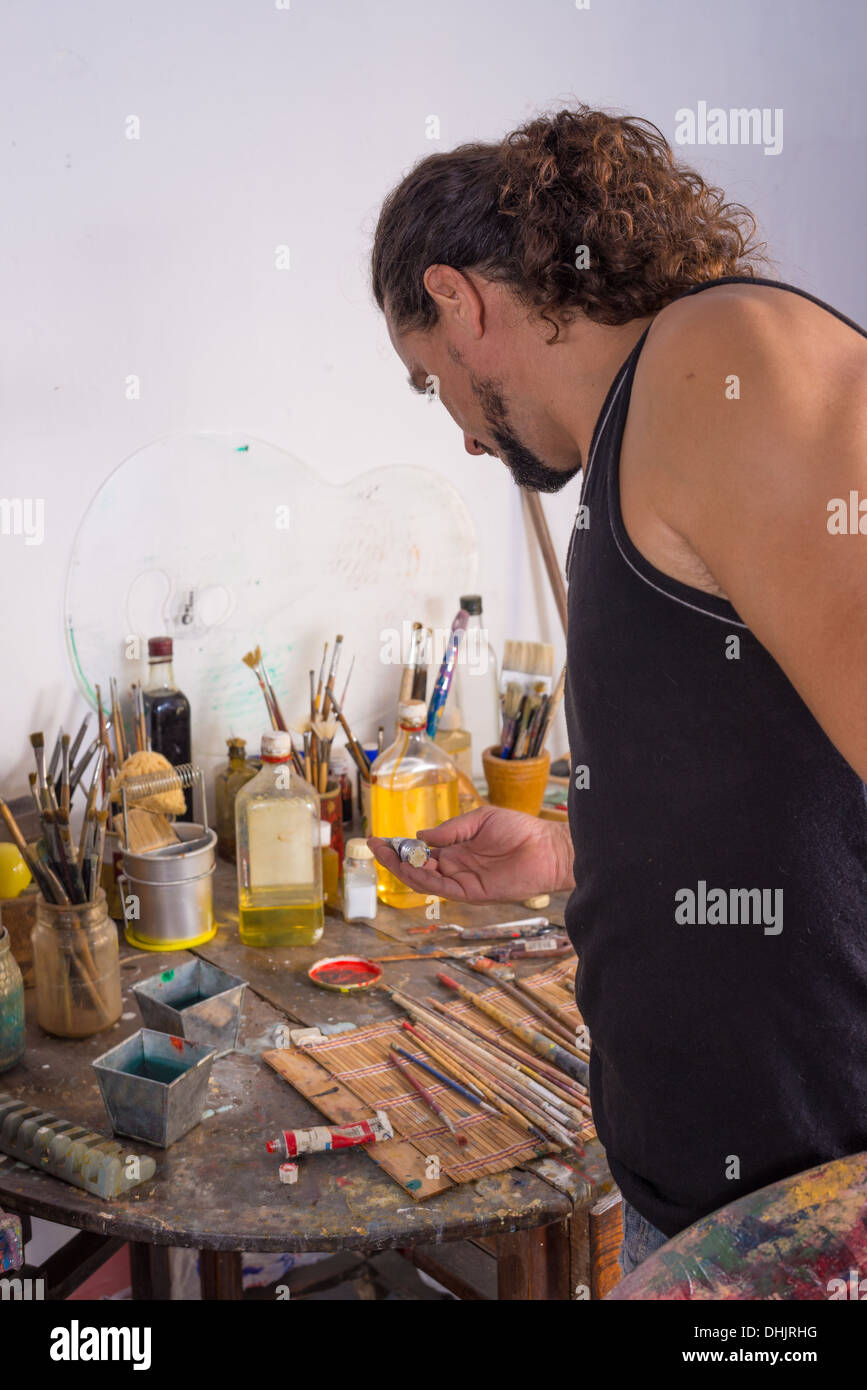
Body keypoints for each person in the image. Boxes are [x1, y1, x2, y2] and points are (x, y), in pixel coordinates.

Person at [367, 107, 867, 1278]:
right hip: (718, 1196)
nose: (458, 433)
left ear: (458, 301)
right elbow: (778, 791)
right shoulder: (648, 429)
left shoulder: (718, 361)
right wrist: (567, 857)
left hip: (813, 1213)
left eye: (421, 380)